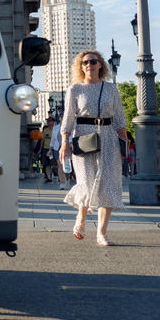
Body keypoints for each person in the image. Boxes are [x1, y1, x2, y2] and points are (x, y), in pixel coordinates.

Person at [60, 50, 128, 247]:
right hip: (83, 137)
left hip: (108, 138)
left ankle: (101, 234)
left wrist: (125, 148)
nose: (88, 65)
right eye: (84, 62)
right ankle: (80, 220)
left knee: (108, 183)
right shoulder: (75, 89)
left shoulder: (111, 89)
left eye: (92, 61)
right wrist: (64, 143)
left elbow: (120, 120)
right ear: (80, 67)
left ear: (100, 65)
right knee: (87, 182)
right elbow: (68, 119)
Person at [37, 118, 55, 183]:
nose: (48, 122)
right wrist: (40, 149)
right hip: (46, 148)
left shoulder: (56, 129)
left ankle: (59, 175)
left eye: (49, 121)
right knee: (47, 164)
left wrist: (51, 138)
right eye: (47, 121)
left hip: (54, 148)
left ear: (53, 122)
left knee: (56, 164)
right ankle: (49, 178)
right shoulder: (45, 130)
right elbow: (42, 140)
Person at [51, 115, 66, 189]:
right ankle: (62, 182)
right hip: (57, 147)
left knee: (66, 165)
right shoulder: (55, 127)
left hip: (67, 147)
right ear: (59, 118)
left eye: (63, 116)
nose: (62, 118)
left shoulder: (69, 126)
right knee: (60, 164)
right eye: (61, 117)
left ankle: (67, 179)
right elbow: (53, 139)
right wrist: (50, 148)